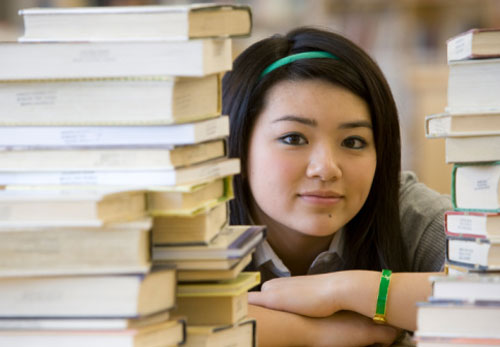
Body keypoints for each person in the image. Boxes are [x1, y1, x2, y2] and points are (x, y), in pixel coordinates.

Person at [222, 26, 452, 346]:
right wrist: (316, 334)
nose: (326, 169)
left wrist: (348, 291)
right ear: (238, 147)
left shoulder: (408, 213)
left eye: (353, 141)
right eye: (294, 138)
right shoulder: (192, 221)